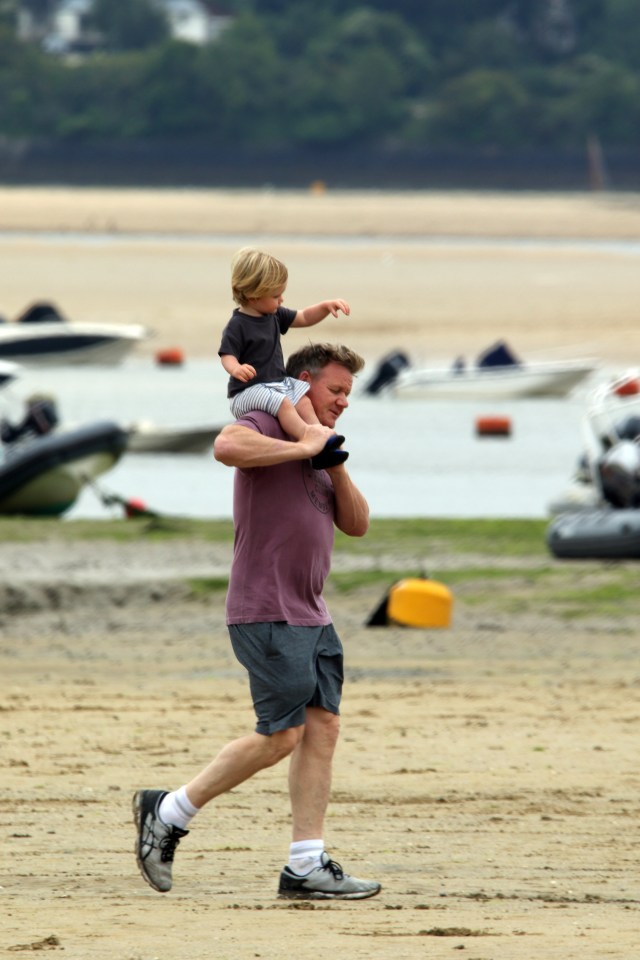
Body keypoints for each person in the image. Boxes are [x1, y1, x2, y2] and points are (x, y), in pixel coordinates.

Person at [132, 342, 381, 901]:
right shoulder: (267, 414)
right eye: (335, 390)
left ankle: (306, 863)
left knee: (323, 728)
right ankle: (168, 811)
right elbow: (226, 445)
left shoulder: (317, 438)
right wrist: (301, 445)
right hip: (266, 607)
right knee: (281, 736)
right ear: (303, 381)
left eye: (348, 394)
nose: (343, 402)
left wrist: (331, 459)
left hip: (312, 613)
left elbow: (358, 524)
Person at [218, 247, 350, 470]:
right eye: (276, 295)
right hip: (247, 391)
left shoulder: (274, 315)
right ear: (253, 295)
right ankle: (308, 437)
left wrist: (325, 307)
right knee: (284, 404)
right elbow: (227, 355)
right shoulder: (237, 325)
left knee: (302, 397)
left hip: (275, 384)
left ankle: (322, 436)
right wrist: (236, 369)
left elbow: (304, 316)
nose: (281, 299)